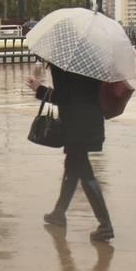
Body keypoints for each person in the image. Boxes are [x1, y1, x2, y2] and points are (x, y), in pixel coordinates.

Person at [28, 59, 114, 242]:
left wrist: (39, 89)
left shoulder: (64, 64)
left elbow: (65, 97)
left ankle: (105, 224)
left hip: (77, 125)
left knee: (84, 172)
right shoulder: (92, 61)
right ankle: (59, 212)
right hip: (92, 121)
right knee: (73, 166)